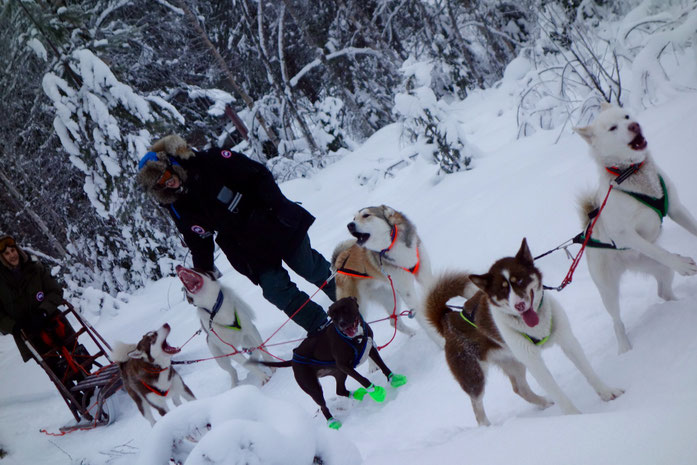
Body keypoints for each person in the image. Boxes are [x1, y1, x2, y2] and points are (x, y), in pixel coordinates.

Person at [136, 134, 336, 333]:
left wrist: (276, 208)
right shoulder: (176, 205)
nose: (167, 184)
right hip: (245, 247)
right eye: (159, 184)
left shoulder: (210, 161)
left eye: (165, 176)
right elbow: (198, 241)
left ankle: (350, 297)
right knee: (276, 290)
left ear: (171, 164)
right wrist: (202, 278)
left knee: (309, 267)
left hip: (272, 222)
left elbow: (259, 174)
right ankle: (320, 326)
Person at [0, 235, 88, 384]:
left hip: (53, 321)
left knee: (79, 359)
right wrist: (14, 326)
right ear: (2, 258)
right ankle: (80, 400)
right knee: (58, 373)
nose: (12, 255)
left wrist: (43, 311)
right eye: (7, 253)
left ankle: (91, 383)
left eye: (13, 250)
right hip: (29, 334)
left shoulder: (34, 267)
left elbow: (55, 291)